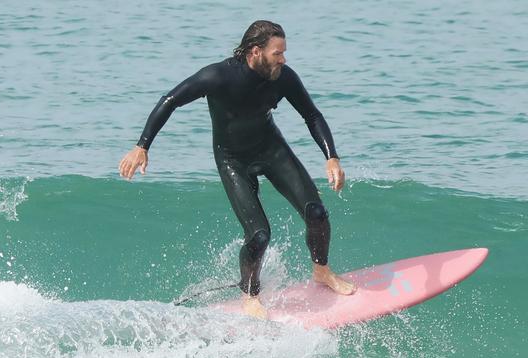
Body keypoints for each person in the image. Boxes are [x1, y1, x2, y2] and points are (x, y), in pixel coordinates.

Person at [118, 20, 356, 319]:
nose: (283, 59)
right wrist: (142, 146)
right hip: (232, 159)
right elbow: (171, 100)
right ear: (256, 51)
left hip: (271, 149)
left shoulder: (283, 78)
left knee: (317, 213)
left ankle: (322, 271)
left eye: (284, 53)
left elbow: (312, 115)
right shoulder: (218, 76)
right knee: (259, 236)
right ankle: (250, 294)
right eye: (277, 53)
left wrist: (331, 156)